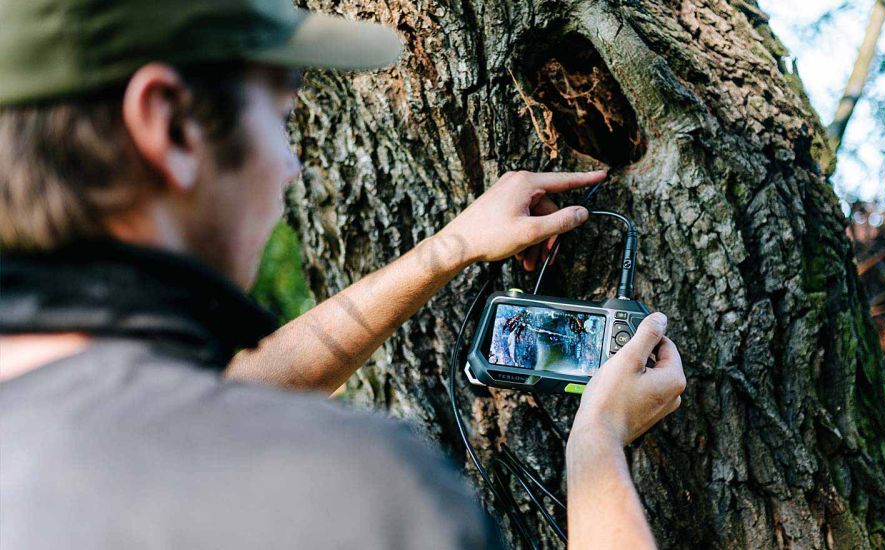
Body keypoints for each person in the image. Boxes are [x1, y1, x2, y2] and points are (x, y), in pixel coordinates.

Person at [0, 0, 687, 548]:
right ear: (170, 127)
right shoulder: (346, 487)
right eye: (281, 120)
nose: (291, 167)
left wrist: (447, 249)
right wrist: (596, 450)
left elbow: (230, 388)